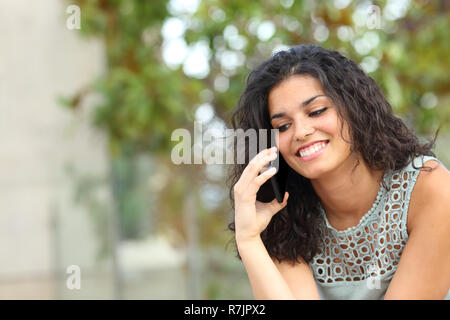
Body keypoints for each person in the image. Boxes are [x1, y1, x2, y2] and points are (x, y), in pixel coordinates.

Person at [227, 44, 450, 300]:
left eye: (317, 111)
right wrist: (249, 241)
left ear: (355, 108)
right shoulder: (284, 213)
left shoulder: (431, 189)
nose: (301, 132)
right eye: (283, 126)